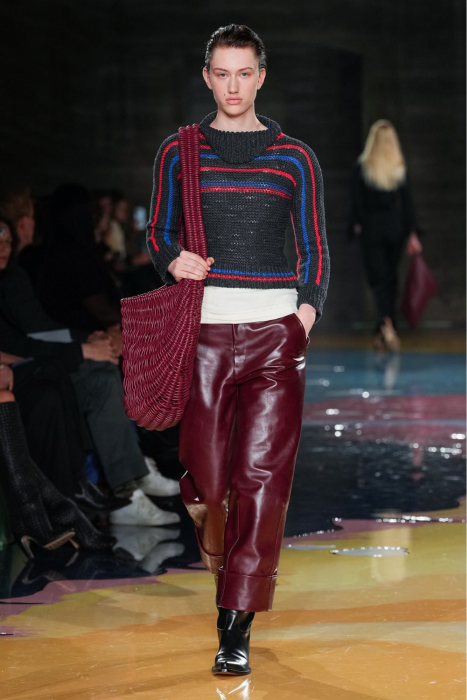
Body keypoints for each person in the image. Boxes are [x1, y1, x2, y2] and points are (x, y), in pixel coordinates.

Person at [145, 24, 330, 675]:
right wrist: (173, 260)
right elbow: (158, 230)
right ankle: (226, 571)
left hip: (275, 335)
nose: (232, 85)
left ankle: (235, 622)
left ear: (260, 76)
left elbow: (314, 245)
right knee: (207, 483)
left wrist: (303, 316)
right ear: (206, 77)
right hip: (201, 335)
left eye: (243, 73)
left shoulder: (294, 158)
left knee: (262, 482)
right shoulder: (179, 152)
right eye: (221, 73)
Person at [0, 214, 180, 523]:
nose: (4, 247)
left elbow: (39, 329)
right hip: (29, 370)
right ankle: (116, 487)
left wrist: (92, 340)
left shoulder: (12, 273)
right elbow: (22, 342)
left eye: (6, 240)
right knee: (90, 377)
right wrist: (85, 347)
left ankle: (130, 479)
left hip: (38, 361)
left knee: (104, 369)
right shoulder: (38, 265)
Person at [348, 120, 422, 351]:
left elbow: (356, 203)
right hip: (394, 227)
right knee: (390, 277)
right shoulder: (397, 167)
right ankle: (385, 328)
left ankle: (385, 322)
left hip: (371, 227)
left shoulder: (362, 167)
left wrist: (355, 226)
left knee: (378, 278)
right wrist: (412, 232)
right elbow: (407, 203)